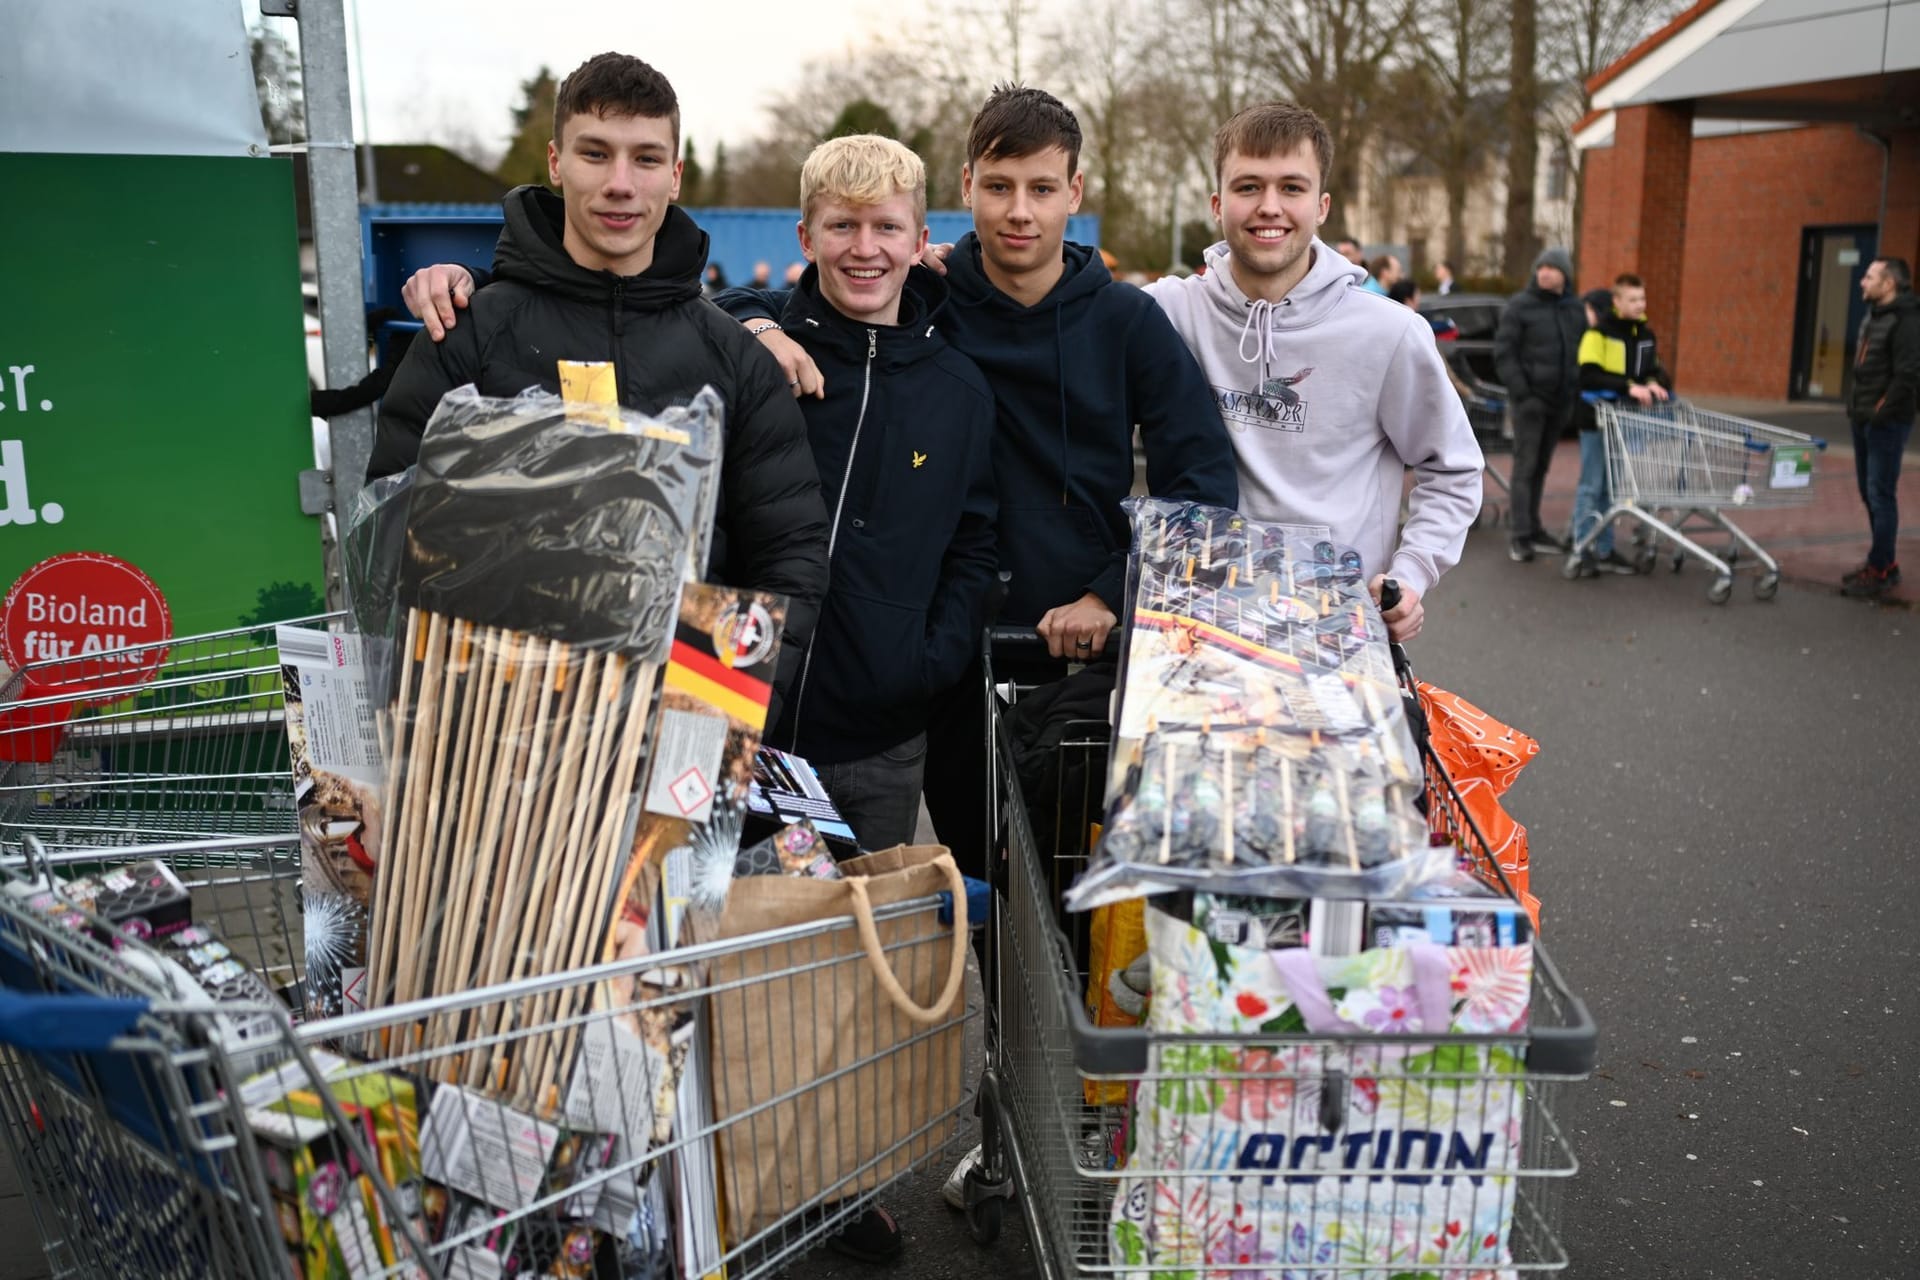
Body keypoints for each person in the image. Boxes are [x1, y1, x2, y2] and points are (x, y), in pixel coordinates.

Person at [731, 83, 1238, 876]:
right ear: (967, 187)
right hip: (947, 658)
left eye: (1042, 189)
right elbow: (791, 303)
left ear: (1075, 192)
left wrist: (1110, 592)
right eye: (998, 188)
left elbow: (1202, 484)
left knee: (1061, 893)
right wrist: (754, 322)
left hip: (1072, 658)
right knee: (967, 883)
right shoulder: (930, 295)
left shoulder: (1127, 324)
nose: (1019, 213)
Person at [369, 53, 830, 722]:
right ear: (556, 164)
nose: (621, 184)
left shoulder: (733, 357)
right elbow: (391, 536)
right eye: (596, 154)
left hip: (678, 733)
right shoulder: (467, 337)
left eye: (645, 159)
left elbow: (788, 563)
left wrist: (705, 713)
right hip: (490, 740)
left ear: (674, 176)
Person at [713, 134, 997, 853]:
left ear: (921, 240)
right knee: (725, 949)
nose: (863, 248)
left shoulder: (958, 392)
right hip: (735, 722)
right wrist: (752, 325)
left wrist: (924, 667)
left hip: (880, 740)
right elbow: (679, 305)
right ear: (806, 236)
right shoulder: (758, 357)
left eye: (886, 227)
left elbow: (974, 542)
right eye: (842, 225)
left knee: (861, 955)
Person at [1140, 101, 1481, 645]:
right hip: (1201, 627)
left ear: (1322, 205)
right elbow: (1066, 306)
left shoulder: (1389, 333)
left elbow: (1453, 471)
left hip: (1337, 634)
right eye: (1248, 186)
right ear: (1216, 203)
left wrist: (1410, 573)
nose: (1269, 206)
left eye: (1291, 188)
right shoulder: (1169, 311)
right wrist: (959, 268)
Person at [1569, 275, 1669, 577]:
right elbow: (1588, 376)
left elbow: (1656, 371)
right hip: (1596, 420)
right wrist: (1629, 387)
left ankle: (1605, 549)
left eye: (1642, 299)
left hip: (1625, 422)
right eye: (1633, 299)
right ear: (1617, 302)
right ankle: (1582, 548)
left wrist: (1653, 383)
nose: (1640, 305)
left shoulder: (1646, 335)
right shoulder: (1597, 335)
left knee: (1612, 490)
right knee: (1591, 486)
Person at [1493, 247, 1585, 563]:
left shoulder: (1574, 308)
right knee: (1525, 467)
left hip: (1560, 403)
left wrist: (1573, 391)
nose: (1544, 272)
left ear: (1564, 274)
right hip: (1529, 404)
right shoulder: (1519, 306)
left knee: (1542, 467)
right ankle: (1520, 536)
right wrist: (1523, 394)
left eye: (1551, 268)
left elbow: (1578, 352)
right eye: (1540, 267)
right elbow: (1504, 353)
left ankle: (1533, 527)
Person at [1842, 256, 1919, 598]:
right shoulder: (1874, 316)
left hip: (1885, 423)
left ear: (1888, 284)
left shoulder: (1907, 320)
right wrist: (1858, 409)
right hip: (1864, 419)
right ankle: (1882, 561)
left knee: (1881, 494)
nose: (1862, 281)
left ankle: (1881, 569)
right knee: (1868, 492)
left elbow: (1907, 376)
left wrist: (1878, 412)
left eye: (1870, 276)